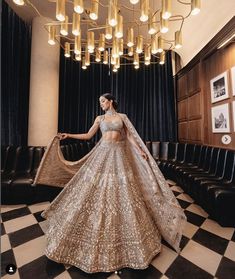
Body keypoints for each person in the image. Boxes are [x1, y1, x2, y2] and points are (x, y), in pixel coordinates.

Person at [34, 93, 186, 274]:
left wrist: (140, 151)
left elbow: (129, 137)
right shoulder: (99, 118)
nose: (101, 104)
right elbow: (89, 135)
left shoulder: (122, 117)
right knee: (94, 190)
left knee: (124, 192)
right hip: (103, 154)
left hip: (120, 155)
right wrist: (69, 135)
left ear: (111, 101)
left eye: (103, 101)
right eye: (100, 102)